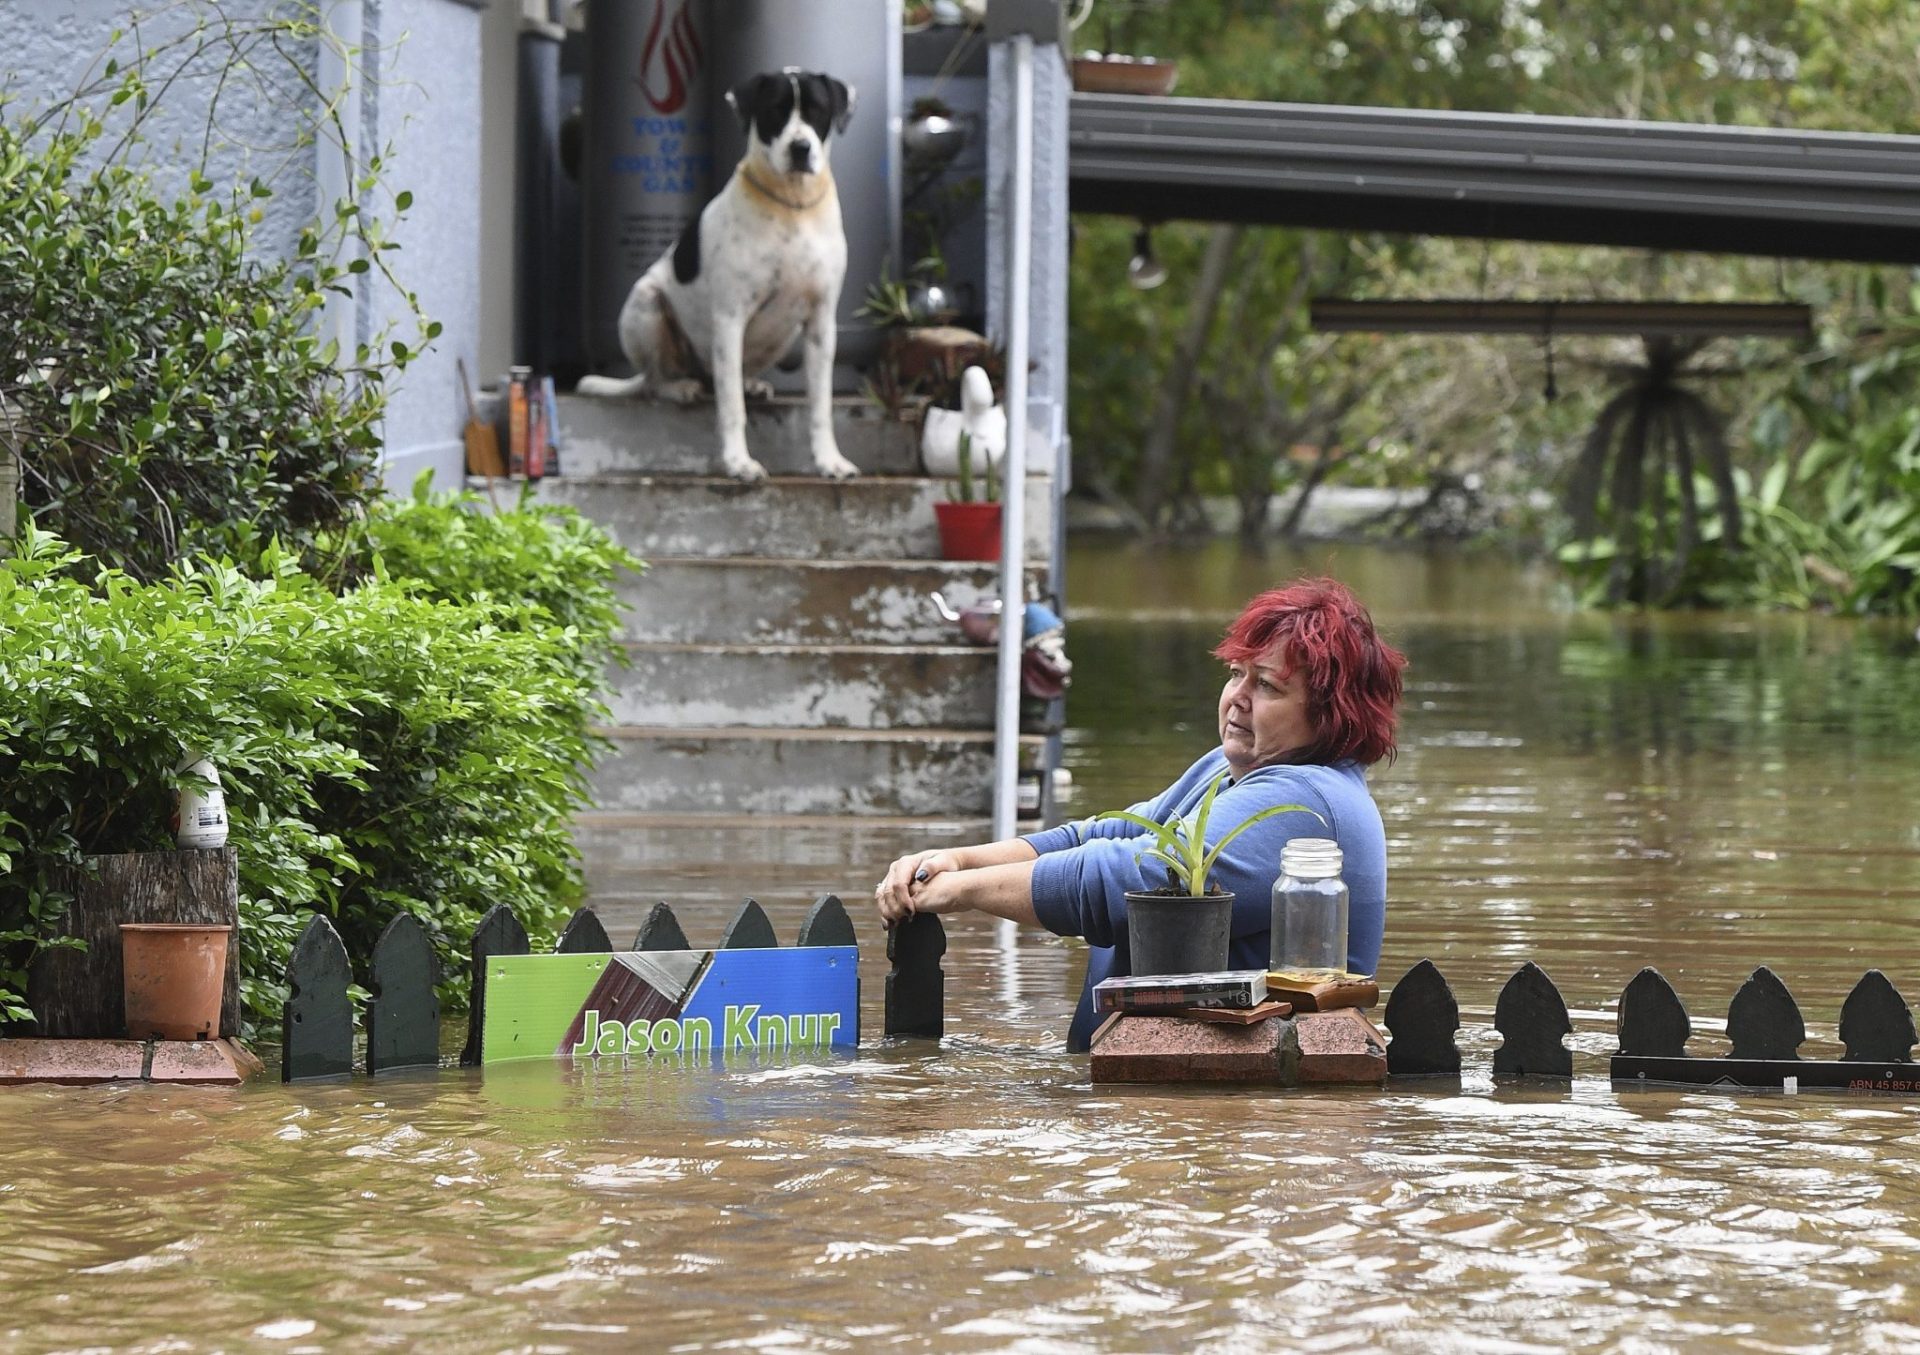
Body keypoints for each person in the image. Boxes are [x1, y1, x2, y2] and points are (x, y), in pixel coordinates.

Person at [873, 577, 1407, 1051]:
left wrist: (960, 891)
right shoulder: (1227, 769)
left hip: (1226, 1102)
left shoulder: (1307, 802)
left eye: (1266, 685)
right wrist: (958, 860)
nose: (1236, 699)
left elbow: (1136, 878)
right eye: (1236, 675)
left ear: (1330, 714)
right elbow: (1109, 832)